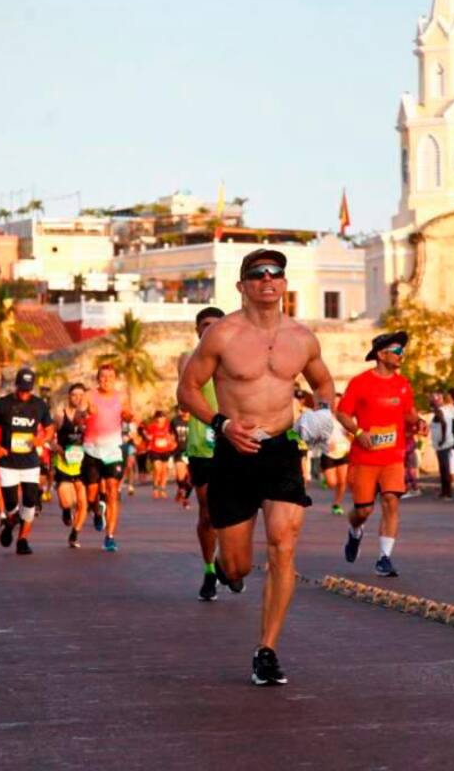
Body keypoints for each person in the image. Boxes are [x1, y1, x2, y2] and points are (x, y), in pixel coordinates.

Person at [176, 248, 334, 686]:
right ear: (242, 285)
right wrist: (222, 425)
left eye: (276, 273)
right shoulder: (222, 335)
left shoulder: (302, 337)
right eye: (258, 274)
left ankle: (267, 650)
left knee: (283, 544)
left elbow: (322, 382)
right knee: (237, 566)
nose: (268, 279)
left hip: (282, 449)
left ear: (284, 283)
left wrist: (323, 412)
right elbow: (187, 390)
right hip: (234, 452)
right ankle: (226, 569)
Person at [336, 331, 421, 578]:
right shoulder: (360, 382)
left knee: (391, 500)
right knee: (363, 511)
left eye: (402, 351)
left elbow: (409, 413)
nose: (401, 355)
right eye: (397, 351)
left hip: (393, 457)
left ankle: (384, 558)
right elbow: (342, 413)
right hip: (365, 458)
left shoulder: (403, 384)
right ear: (381, 355)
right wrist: (358, 432)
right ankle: (355, 531)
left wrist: (419, 422)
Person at [178, 307, 226, 601]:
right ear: (197, 330)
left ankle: (229, 563)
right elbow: (184, 400)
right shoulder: (189, 359)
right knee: (208, 511)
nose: (210, 329)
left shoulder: (236, 358)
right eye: (205, 325)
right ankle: (210, 570)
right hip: (202, 446)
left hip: (235, 443)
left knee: (236, 510)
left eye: (216, 325)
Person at [0, 367, 55, 555]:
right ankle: (10, 524)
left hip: (30, 462)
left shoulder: (39, 405)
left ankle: (23, 540)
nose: (25, 393)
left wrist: (42, 439)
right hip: (8, 462)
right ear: (16, 385)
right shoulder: (3, 404)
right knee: (11, 505)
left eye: (28, 389)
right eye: (22, 388)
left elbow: (50, 429)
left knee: (31, 501)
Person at [82, 364, 126, 551]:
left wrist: (130, 416)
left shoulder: (121, 396)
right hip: (92, 450)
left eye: (110, 377)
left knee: (112, 491)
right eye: (103, 376)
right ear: (97, 379)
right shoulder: (89, 395)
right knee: (91, 494)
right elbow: (77, 418)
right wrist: (86, 413)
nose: (107, 380)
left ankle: (110, 536)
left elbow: (129, 413)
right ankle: (97, 511)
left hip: (113, 450)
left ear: (115, 379)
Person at [53, 384, 89, 548]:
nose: (78, 398)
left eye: (81, 395)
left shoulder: (88, 417)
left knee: (82, 503)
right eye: (74, 395)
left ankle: (75, 534)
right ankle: (66, 510)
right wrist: (56, 447)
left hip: (82, 465)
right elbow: (48, 436)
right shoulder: (60, 416)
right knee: (67, 502)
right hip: (64, 464)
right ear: (69, 396)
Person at [321, 393, 351, 515]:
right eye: (334, 403)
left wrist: (350, 435)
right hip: (328, 453)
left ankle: (337, 504)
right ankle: (326, 479)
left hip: (343, 451)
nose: (336, 405)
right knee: (332, 483)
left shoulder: (346, 417)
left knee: (343, 481)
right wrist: (326, 443)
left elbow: (353, 433)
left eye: (339, 403)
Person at [145, 410, 177, 499]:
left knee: (164, 470)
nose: (161, 419)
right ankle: (155, 488)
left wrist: (172, 442)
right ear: (156, 418)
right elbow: (148, 437)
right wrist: (148, 439)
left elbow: (173, 436)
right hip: (154, 450)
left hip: (166, 450)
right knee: (157, 469)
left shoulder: (169, 426)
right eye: (159, 417)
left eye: (162, 417)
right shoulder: (152, 427)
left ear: (165, 418)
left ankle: (162, 489)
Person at [430, 391, 454, 500]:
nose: (431, 402)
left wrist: (443, 439)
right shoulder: (444, 410)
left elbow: (444, 424)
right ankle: (444, 491)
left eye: (433, 400)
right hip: (442, 443)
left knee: (445, 468)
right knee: (443, 468)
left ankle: (448, 493)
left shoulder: (440, 411)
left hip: (443, 444)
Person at [171, 407, 192, 506]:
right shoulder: (175, 421)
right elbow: (170, 434)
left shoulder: (196, 421)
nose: (183, 412)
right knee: (180, 476)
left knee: (191, 477)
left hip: (193, 452)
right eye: (181, 410)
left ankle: (185, 497)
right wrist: (171, 441)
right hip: (180, 451)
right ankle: (182, 490)